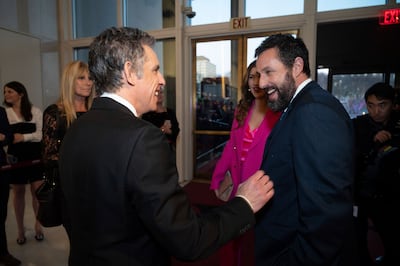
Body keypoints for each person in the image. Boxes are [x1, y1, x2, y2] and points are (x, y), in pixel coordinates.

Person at [58, 26, 274, 266]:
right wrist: (244, 204)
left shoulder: (76, 128)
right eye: (155, 70)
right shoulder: (143, 139)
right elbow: (189, 240)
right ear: (130, 72)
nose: (161, 80)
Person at [254, 34, 357, 265]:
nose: (261, 83)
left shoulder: (313, 112)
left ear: (297, 66)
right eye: (260, 74)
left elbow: (326, 216)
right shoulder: (298, 107)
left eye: (269, 72)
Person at [210, 60, 281, 266]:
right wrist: (217, 178)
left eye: (261, 76)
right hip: (237, 182)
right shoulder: (242, 111)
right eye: (252, 77)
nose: (256, 82)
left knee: (258, 240)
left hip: (261, 184)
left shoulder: (277, 113)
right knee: (233, 236)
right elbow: (230, 148)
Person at [42, 60, 95, 240]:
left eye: (90, 78)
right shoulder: (55, 112)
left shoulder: (95, 111)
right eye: (81, 78)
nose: (88, 82)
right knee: (79, 240)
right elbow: (48, 155)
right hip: (70, 188)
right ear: (70, 80)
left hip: (97, 185)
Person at [353, 82, 400, 266]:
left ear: (392, 104)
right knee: (357, 240)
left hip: (389, 195)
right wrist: (372, 143)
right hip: (361, 192)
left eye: (382, 105)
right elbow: (351, 155)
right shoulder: (359, 126)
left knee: (392, 238)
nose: (376, 111)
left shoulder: (397, 125)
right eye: (371, 105)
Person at [3, 81, 44, 245]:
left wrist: (23, 137)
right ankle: (20, 229)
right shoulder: (5, 114)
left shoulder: (35, 111)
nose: (6, 95)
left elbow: (40, 135)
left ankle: (39, 225)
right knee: (18, 193)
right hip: (15, 159)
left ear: (21, 94)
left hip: (35, 157)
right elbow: (5, 138)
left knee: (37, 192)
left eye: (10, 91)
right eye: (5, 92)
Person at [0, 106, 21, 266]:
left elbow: (8, 136)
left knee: (1, 214)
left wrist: (4, 137)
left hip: (1, 170)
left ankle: (3, 253)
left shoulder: (0, 111)